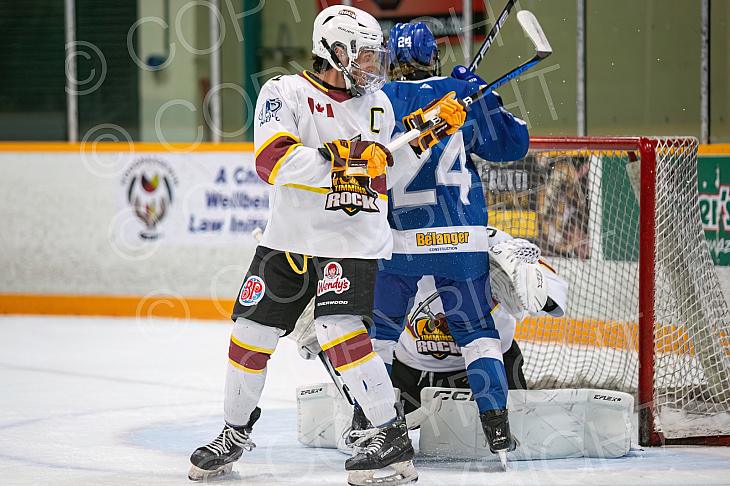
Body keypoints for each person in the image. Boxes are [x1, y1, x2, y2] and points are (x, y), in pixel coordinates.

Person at [187, 7, 465, 486]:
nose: (374, 66)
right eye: (364, 56)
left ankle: (390, 434)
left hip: (350, 238)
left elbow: (380, 175)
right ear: (334, 51)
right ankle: (233, 432)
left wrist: (422, 138)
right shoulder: (284, 92)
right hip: (288, 238)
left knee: (338, 330)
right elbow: (273, 160)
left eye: (377, 56)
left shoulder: (378, 105)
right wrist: (347, 158)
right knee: (250, 334)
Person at [366, 21, 531, 458]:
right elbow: (514, 145)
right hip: (461, 237)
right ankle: (496, 424)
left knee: (380, 334)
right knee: (478, 332)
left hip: (401, 240)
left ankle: (370, 423)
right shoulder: (464, 96)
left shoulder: (376, 100)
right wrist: (486, 99)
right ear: (432, 57)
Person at [390, 226, 568, 415]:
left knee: (518, 431)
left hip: (493, 365)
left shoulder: (490, 239)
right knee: (392, 434)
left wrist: (529, 279)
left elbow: (552, 290)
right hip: (413, 371)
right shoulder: (399, 239)